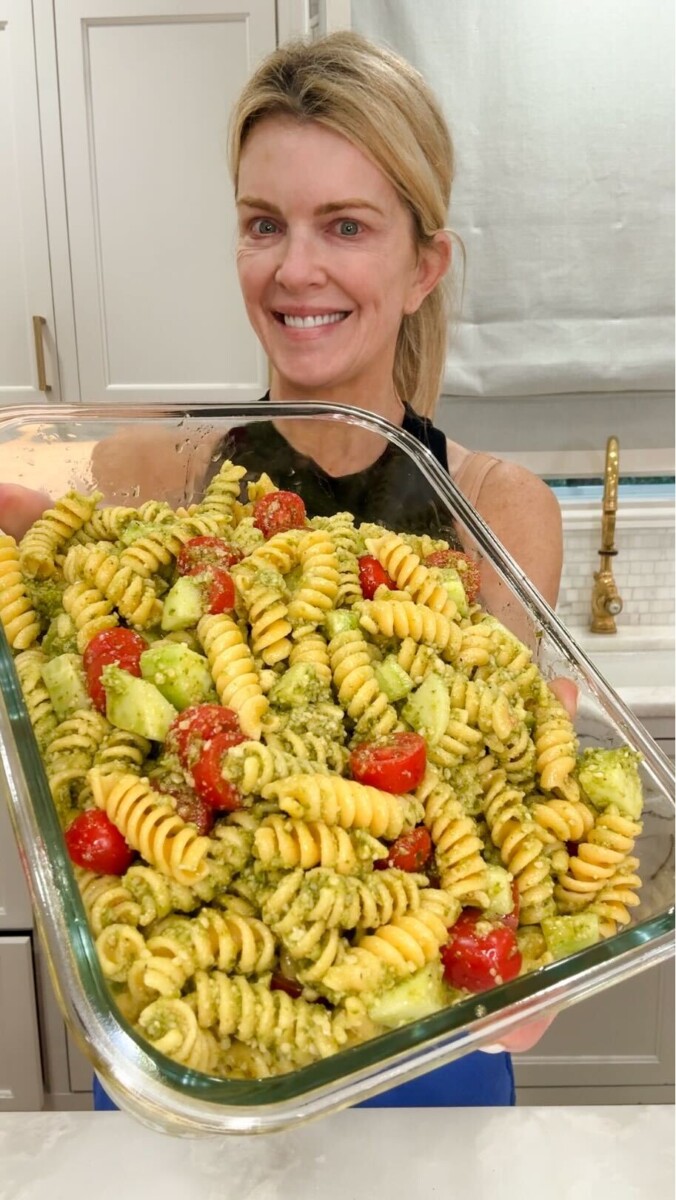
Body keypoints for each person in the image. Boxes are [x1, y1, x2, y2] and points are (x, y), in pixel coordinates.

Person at [1, 30, 571, 1109]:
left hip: (416, 1050)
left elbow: (511, 799)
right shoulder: (148, 473)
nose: (293, 268)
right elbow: (81, 743)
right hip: (194, 1047)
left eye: (344, 226)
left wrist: (533, 919)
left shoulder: (498, 510)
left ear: (423, 266)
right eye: (264, 224)